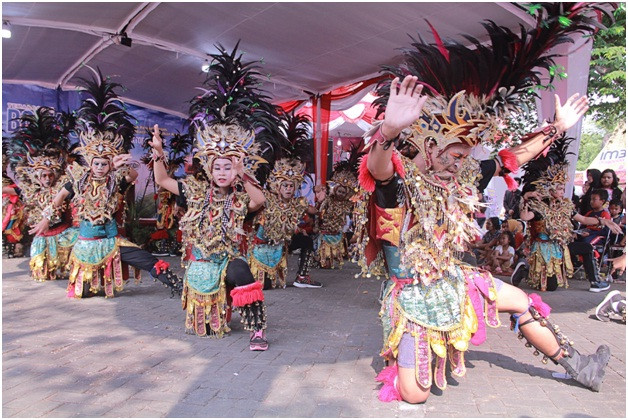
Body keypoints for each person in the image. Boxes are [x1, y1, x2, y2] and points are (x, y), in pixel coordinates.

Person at [354, 4, 614, 404]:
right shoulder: (401, 182)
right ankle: (411, 355)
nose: (462, 162)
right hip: (413, 293)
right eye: (456, 153)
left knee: (522, 300)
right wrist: (388, 130)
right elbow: (378, 168)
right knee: (414, 395)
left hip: (454, 278)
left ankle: (580, 365)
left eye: (465, 155)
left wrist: (556, 129)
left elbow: (514, 157)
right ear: (430, 145)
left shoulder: (464, 173)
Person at [149, 43, 285, 351]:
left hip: (226, 261)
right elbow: (161, 180)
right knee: (206, 332)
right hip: (199, 262)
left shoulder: (239, 196)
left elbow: (259, 201)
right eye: (218, 166)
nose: (222, 171)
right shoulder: (194, 191)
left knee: (242, 270)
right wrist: (159, 154)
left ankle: (258, 329)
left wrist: (243, 172)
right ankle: (218, 309)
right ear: (209, 168)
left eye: (228, 166)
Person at [29, 68, 182, 298]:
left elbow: (132, 177)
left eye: (104, 163)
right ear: (90, 163)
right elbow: (59, 197)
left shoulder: (114, 180)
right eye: (96, 163)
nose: (100, 168)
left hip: (111, 241)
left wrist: (121, 166)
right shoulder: (78, 181)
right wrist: (45, 220)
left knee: (145, 259)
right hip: (85, 245)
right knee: (85, 292)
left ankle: (177, 285)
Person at [249, 157, 321, 289]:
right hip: (262, 246)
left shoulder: (297, 203)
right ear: (278, 186)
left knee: (307, 241)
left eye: (291, 186)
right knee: (264, 286)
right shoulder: (267, 199)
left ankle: (302, 277)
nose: (288, 189)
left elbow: (313, 211)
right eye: (285, 185)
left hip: (281, 243)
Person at [317, 150, 361, 269]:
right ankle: (321, 258)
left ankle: (335, 257)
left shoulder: (348, 204)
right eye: (339, 191)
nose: (341, 193)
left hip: (338, 232)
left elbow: (355, 215)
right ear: (335, 189)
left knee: (335, 259)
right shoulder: (328, 200)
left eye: (343, 192)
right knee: (325, 263)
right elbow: (319, 212)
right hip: (325, 231)